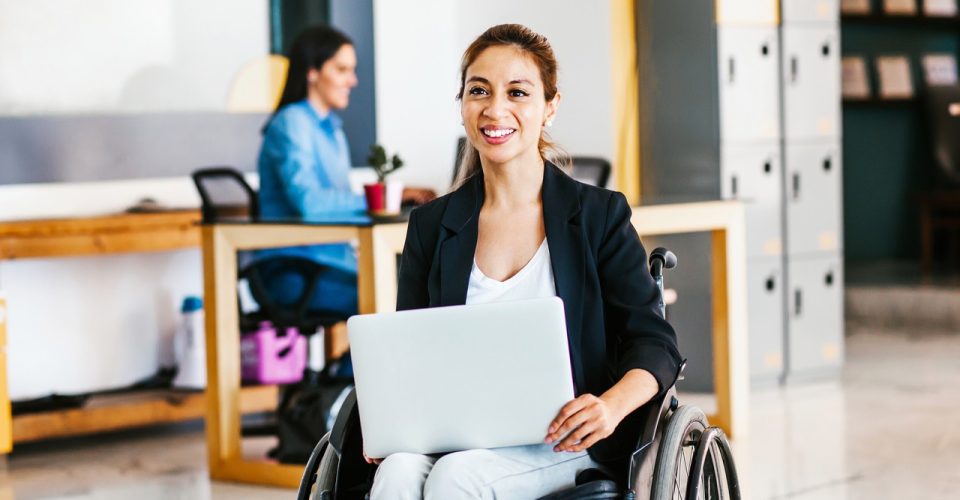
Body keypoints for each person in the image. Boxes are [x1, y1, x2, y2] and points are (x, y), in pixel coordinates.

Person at [366, 24, 682, 499]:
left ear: (550, 106)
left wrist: (610, 407)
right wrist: (395, 417)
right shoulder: (432, 225)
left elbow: (655, 345)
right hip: (455, 433)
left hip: (565, 440)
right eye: (479, 91)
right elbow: (411, 347)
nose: (495, 110)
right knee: (395, 473)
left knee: (456, 479)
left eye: (518, 92)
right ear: (463, 104)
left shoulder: (598, 216)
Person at [256, 25, 435, 318]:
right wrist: (385, 199)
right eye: (342, 70)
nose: (352, 80)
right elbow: (310, 204)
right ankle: (351, 367)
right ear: (312, 72)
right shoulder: (292, 123)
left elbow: (335, 200)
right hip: (293, 270)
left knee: (419, 286)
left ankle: (349, 366)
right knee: (395, 299)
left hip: (332, 264)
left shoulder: (333, 131)